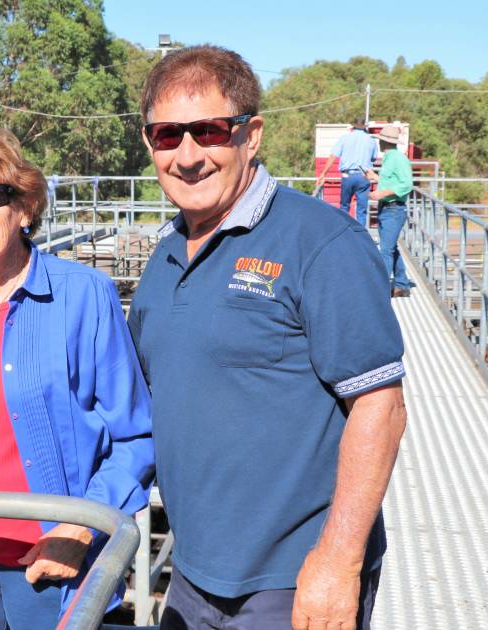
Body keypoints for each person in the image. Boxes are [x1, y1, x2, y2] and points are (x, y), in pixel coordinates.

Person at [129, 45, 408, 630]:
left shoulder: (321, 243)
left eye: (208, 131)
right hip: (194, 571)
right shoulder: (162, 258)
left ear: (249, 136)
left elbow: (379, 408)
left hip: (292, 578)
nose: (187, 156)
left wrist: (337, 561)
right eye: (166, 135)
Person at [0, 129, 154, 629]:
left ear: (23, 208)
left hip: (50, 557)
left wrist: (80, 530)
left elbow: (134, 436)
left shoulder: (84, 295)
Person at [367, 125, 414, 298]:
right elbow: (393, 181)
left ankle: (381, 289)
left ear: (383, 141)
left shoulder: (397, 159)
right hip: (388, 208)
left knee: (385, 250)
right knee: (390, 248)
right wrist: (376, 178)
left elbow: (406, 184)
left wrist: (381, 193)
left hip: (393, 209)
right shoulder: (391, 157)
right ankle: (401, 285)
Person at [315, 116, 379, 227]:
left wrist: (323, 173)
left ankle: (344, 232)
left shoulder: (344, 138)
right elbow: (373, 158)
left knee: (344, 206)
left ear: (353, 127)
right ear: (365, 128)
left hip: (347, 176)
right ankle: (360, 236)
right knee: (361, 209)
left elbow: (333, 156)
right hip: (364, 176)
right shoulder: (371, 140)